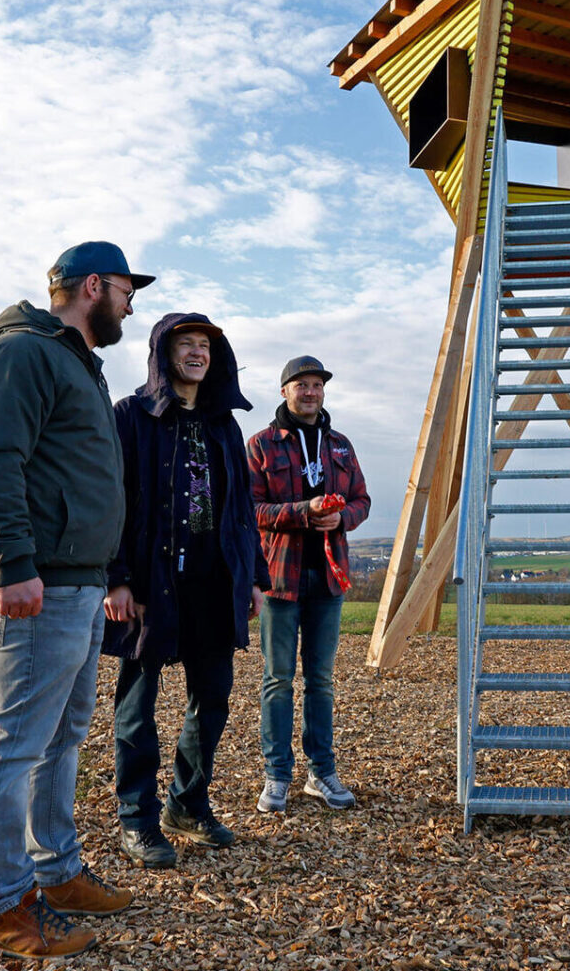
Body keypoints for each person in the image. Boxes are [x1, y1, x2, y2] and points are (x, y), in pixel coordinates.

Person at [0, 241, 149, 959]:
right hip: (41, 582)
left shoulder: (75, 363)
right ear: (93, 285)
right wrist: (12, 566)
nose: (133, 303)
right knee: (16, 745)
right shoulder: (21, 354)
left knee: (61, 739)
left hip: (82, 581)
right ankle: (5, 906)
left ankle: (57, 871)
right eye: (128, 289)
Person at [103, 313, 270, 869]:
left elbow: (241, 510)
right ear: (162, 353)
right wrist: (118, 577)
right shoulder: (131, 416)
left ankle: (187, 803)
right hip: (152, 584)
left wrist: (254, 577)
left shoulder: (224, 423)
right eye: (186, 344)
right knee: (137, 706)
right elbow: (114, 500)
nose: (197, 353)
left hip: (214, 581)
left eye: (205, 346)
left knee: (214, 697)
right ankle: (137, 819)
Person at [247, 356, 370, 814]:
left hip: (329, 579)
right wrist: (303, 511)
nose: (311, 392)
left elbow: (363, 499)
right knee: (278, 680)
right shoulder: (261, 445)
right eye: (302, 385)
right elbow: (250, 509)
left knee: (320, 680)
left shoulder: (340, 445)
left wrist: (343, 517)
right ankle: (276, 776)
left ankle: (322, 772)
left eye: (317, 384)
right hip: (280, 580)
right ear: (284, 392)